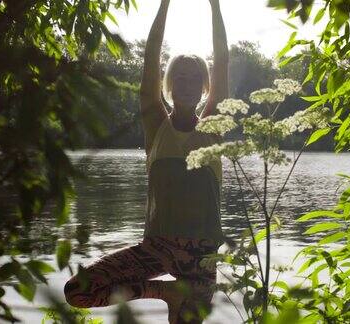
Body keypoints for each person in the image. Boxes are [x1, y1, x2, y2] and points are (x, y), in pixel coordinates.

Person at [63, 0, 229, 322]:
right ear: (169, 84)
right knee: (78, 291)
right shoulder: (156, 127)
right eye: (179, 77)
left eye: (194, 78)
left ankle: (172, 296)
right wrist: (164, 3)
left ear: (204, 87)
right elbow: (150, 56)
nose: (186, 84)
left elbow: (222, 59)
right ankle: (162, 292)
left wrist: (215, 4)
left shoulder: (214, 126)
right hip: (156, 249)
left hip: (200, 261)